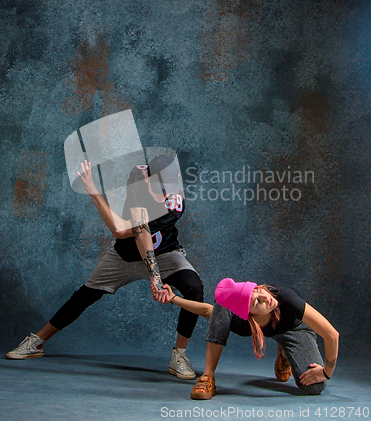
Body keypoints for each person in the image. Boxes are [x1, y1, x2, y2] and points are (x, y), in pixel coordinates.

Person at [6, 155, 204, 380]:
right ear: (147, 178)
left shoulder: (176, 202)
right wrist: (93, 190)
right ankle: (37, 342)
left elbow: (137, 232)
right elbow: (127, 233)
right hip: (126, 255)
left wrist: (155, 275)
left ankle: (179, 355)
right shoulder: (136, 179)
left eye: (167, 190)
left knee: (194, 288)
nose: (164, 196)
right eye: (158, 189)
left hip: (166, 253)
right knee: (85, 295)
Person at [153, 278, 339, 399]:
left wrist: (326, 373)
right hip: (262, 327)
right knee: (221, 304)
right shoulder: (243, 324)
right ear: (248, 315)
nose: (266, 298)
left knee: (315, 387)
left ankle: (285, 351)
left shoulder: (284, 298)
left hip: (295, 330)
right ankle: (208, 377)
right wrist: (173, 299)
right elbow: (207, 310)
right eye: (257, 302)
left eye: (259, 291)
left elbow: (331, 334)